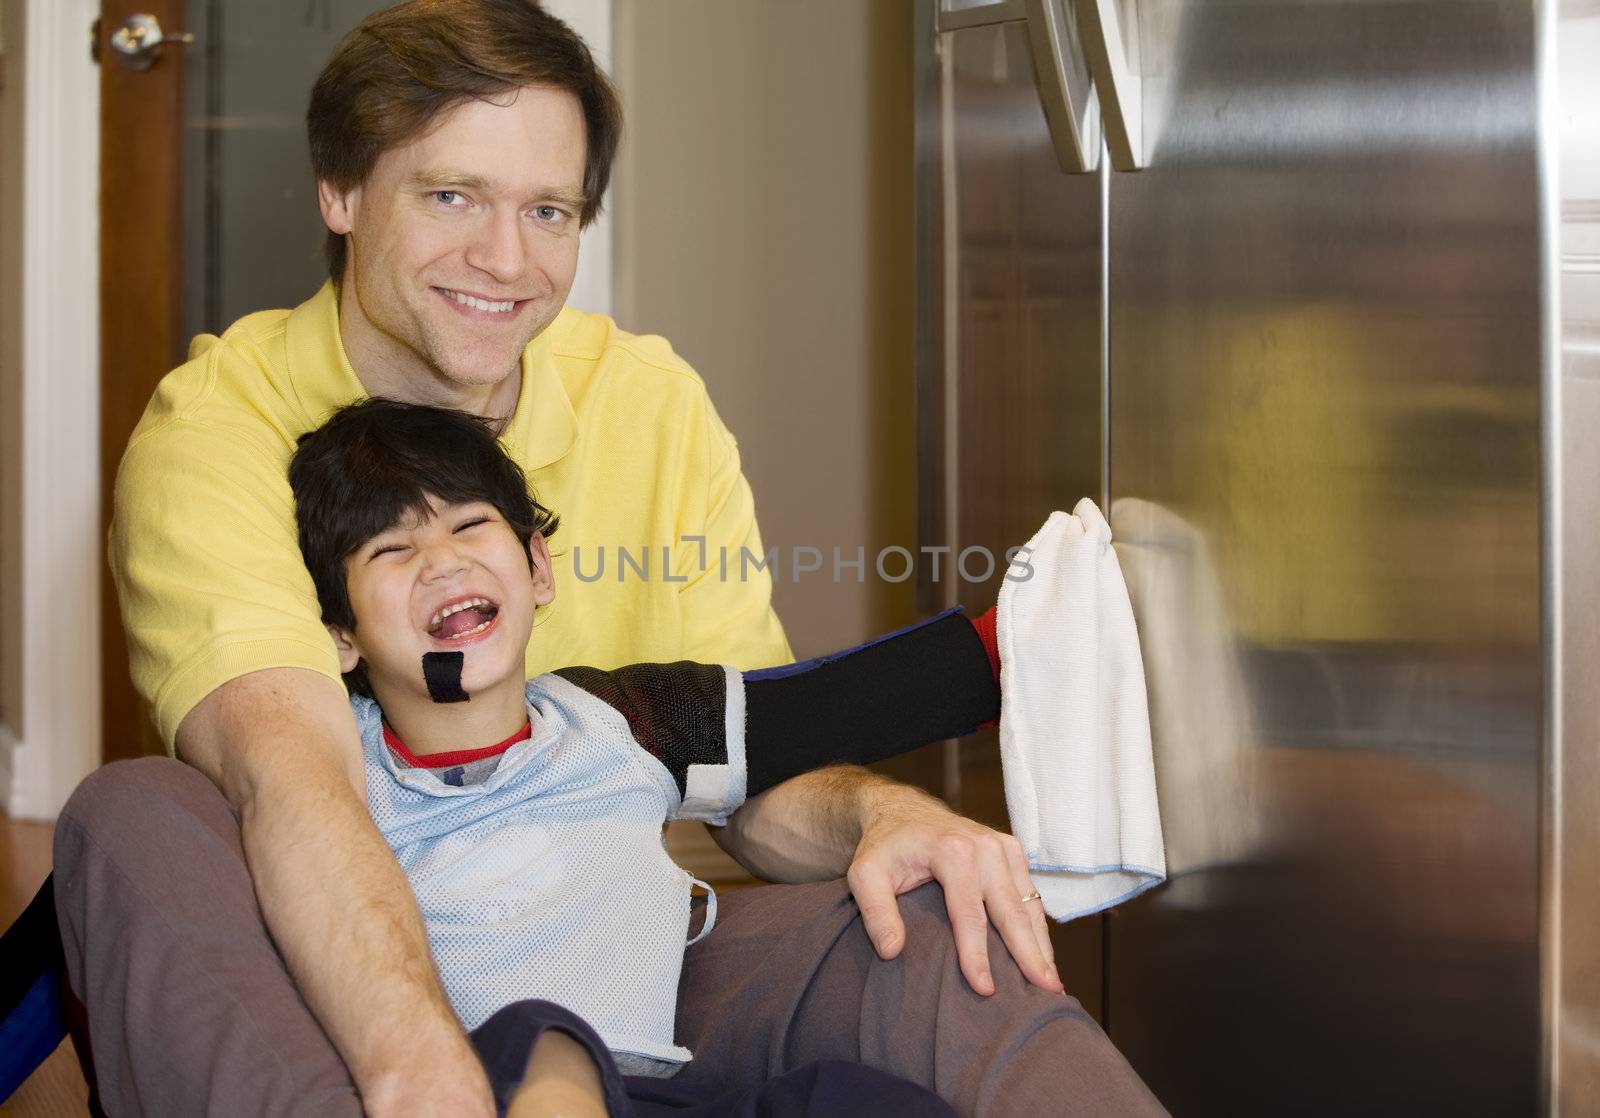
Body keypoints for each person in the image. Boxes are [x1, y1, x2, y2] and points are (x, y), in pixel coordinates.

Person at [55, 2, 1165, 1115]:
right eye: (451, 195)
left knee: (928, 922)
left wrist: (882, 813)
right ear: (340, 192)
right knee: (138, 810)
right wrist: (427, 1076)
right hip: (337, 968)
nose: (506, 259)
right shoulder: (215, 431)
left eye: (548, 209)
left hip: (619, 961)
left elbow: (747, 762)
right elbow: (292, 777)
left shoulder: (649, 402)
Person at [288, 397, 1017, 1115]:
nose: (442, 562)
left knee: (853, 1097)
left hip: (659, 1090)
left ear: (538, 570)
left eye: (470, 524)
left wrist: (1018, 650)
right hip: (475, 1087)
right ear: (340, 635)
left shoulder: (619, 720)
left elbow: (827, 704)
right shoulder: (331, 771)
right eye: (391, 549)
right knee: (538, 1033)